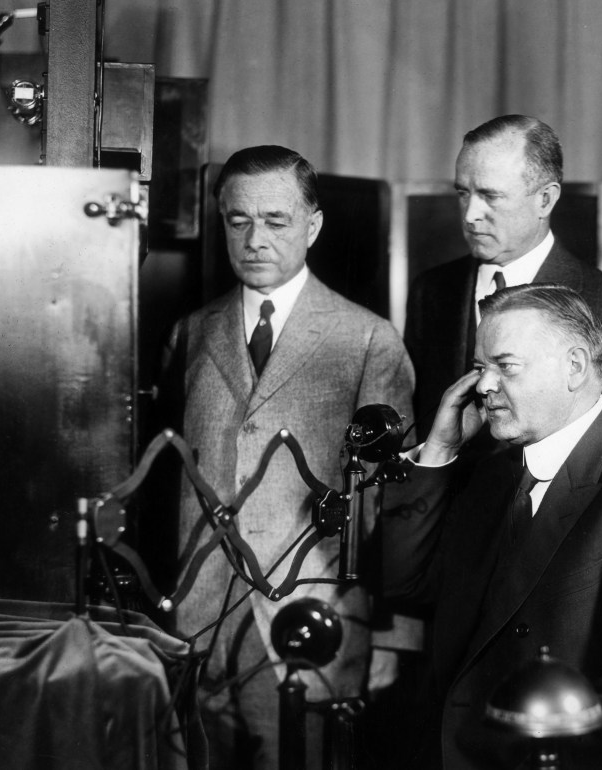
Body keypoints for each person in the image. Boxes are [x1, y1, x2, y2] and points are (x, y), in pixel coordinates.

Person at [382, 283, 602, 769]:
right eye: (480, 367)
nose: (484, 386)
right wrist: (438, 451)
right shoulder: (494, 476)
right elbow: (404, 582)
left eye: (506, 366)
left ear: (574, 367)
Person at [164, 145, 417, 770]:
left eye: (276, 221)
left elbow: (397, 500)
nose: (255, 240)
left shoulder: (368, 339)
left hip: (311, 621)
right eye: (238, 220)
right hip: (198, 625)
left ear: (313, 225)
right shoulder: (190, 333)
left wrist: (391, 633)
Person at [404, 114, 602, 437]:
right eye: (463, 193)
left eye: (490, 196)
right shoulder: (431, 290)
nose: (470, 215)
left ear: (545, 199)